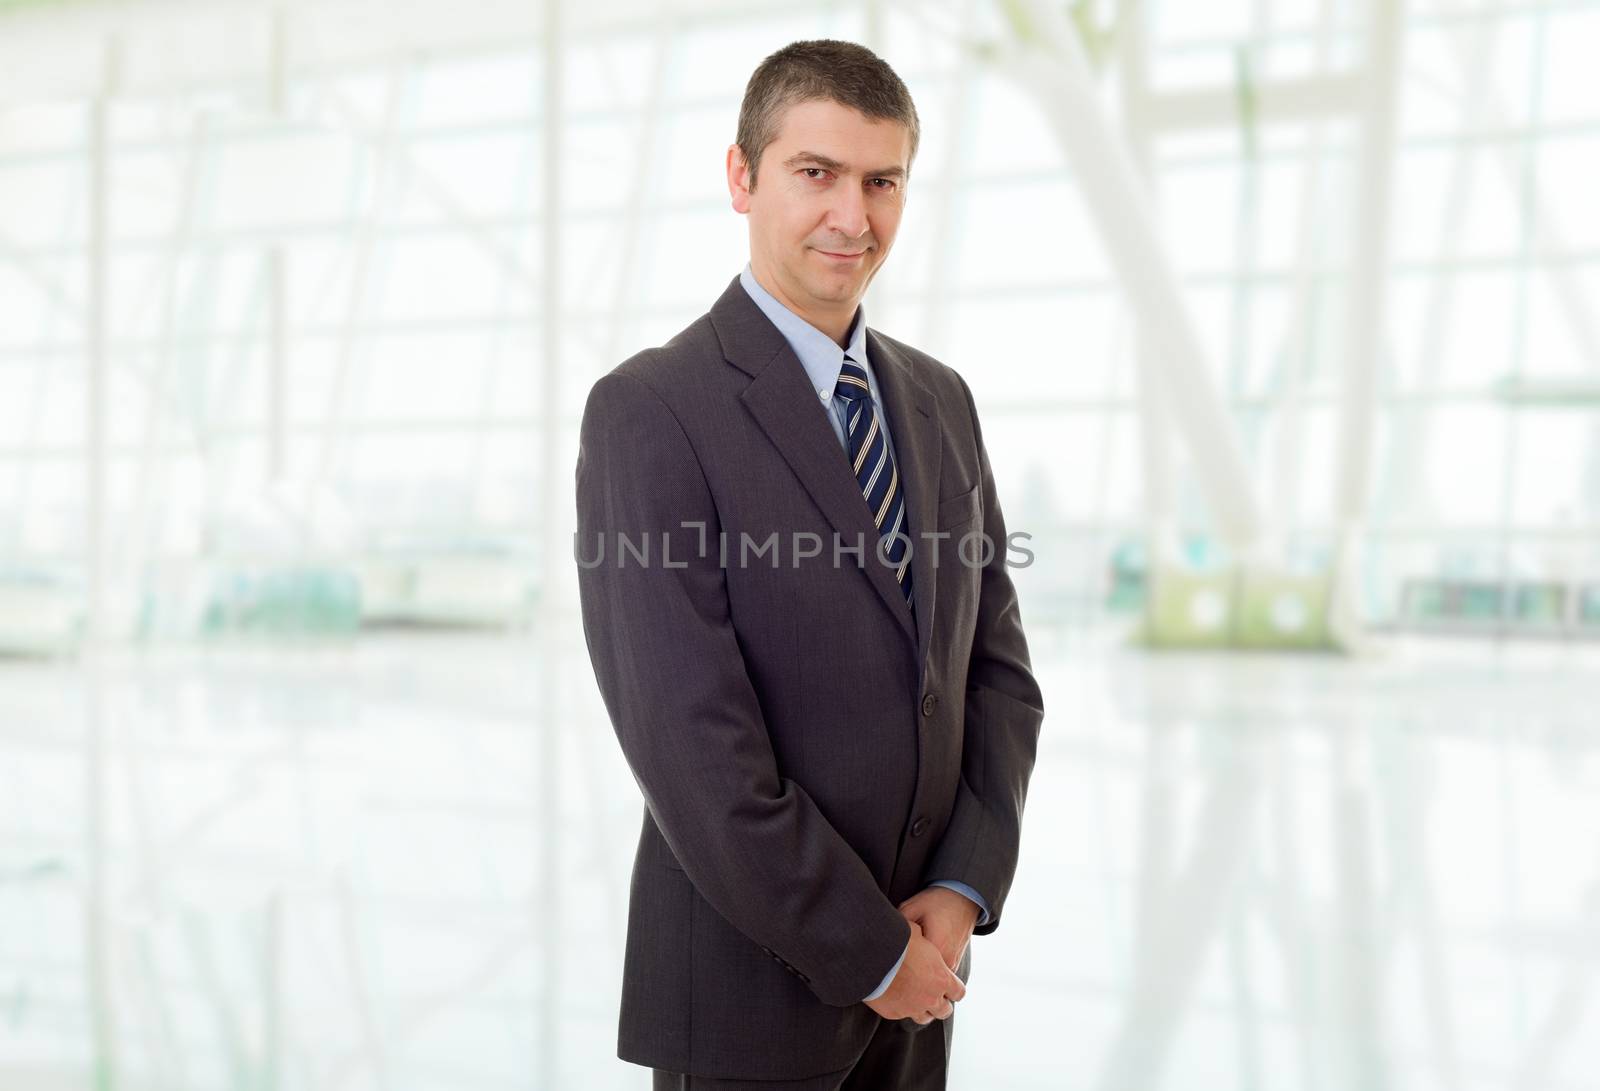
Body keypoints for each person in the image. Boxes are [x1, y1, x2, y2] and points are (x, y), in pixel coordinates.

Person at [574, 38, 1044, 1090]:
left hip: (924, 979)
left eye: (883, 181)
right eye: (815, 173)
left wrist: (962, 886)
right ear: (741, 178)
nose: (853, 215)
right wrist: (868, 949)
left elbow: (996, 673)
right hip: (754, 995)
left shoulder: (939, 399)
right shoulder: (651, 411)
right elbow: (692, 745)